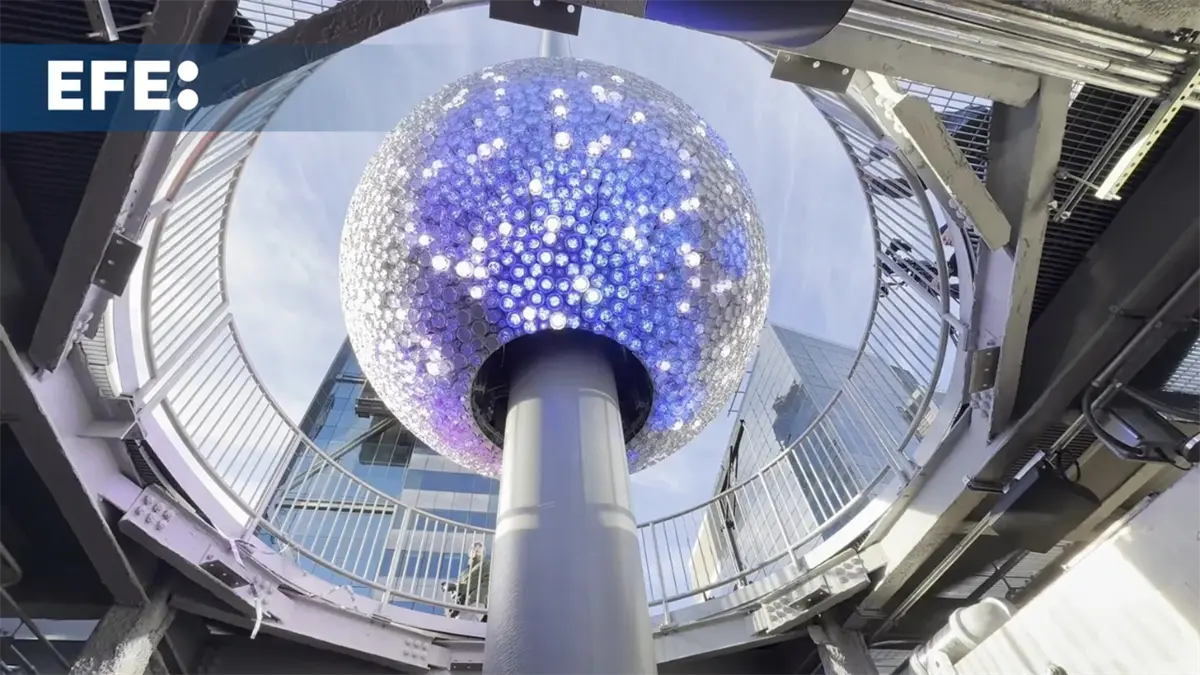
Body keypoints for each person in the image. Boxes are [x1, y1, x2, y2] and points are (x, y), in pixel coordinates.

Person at [865, 103, 992, 200]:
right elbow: (909, 186)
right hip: (979, 124)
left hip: (976, 128)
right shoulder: (935, 154)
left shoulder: (937, 157)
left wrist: (873, 179)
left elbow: (909, 187)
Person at [442, 542, 490, 622]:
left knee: (466, 629)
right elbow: (460, 589)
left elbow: (481, 584)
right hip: (462, 605)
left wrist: (456, 587)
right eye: (474, 547)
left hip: (474, 602)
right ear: (470, 553)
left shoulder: (485, 564)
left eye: (480, 547)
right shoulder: (464, 573)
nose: (477, 548)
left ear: (483, 553)